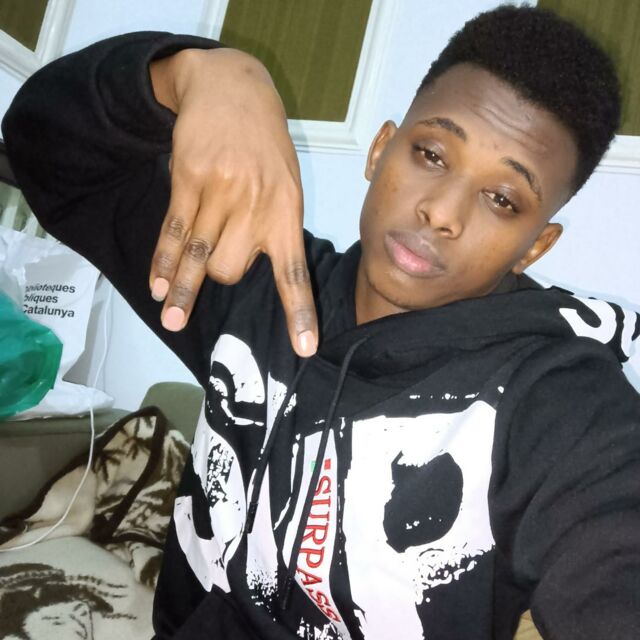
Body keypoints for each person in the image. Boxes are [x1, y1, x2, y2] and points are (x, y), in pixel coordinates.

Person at [3, 4, 639, 639]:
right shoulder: (252, 283)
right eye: (431, 153)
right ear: (380, 150)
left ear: (534, 247)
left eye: (502, 199)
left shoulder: (559, 404)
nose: (443, 212)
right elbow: (42, 149)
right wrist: (193, 74)